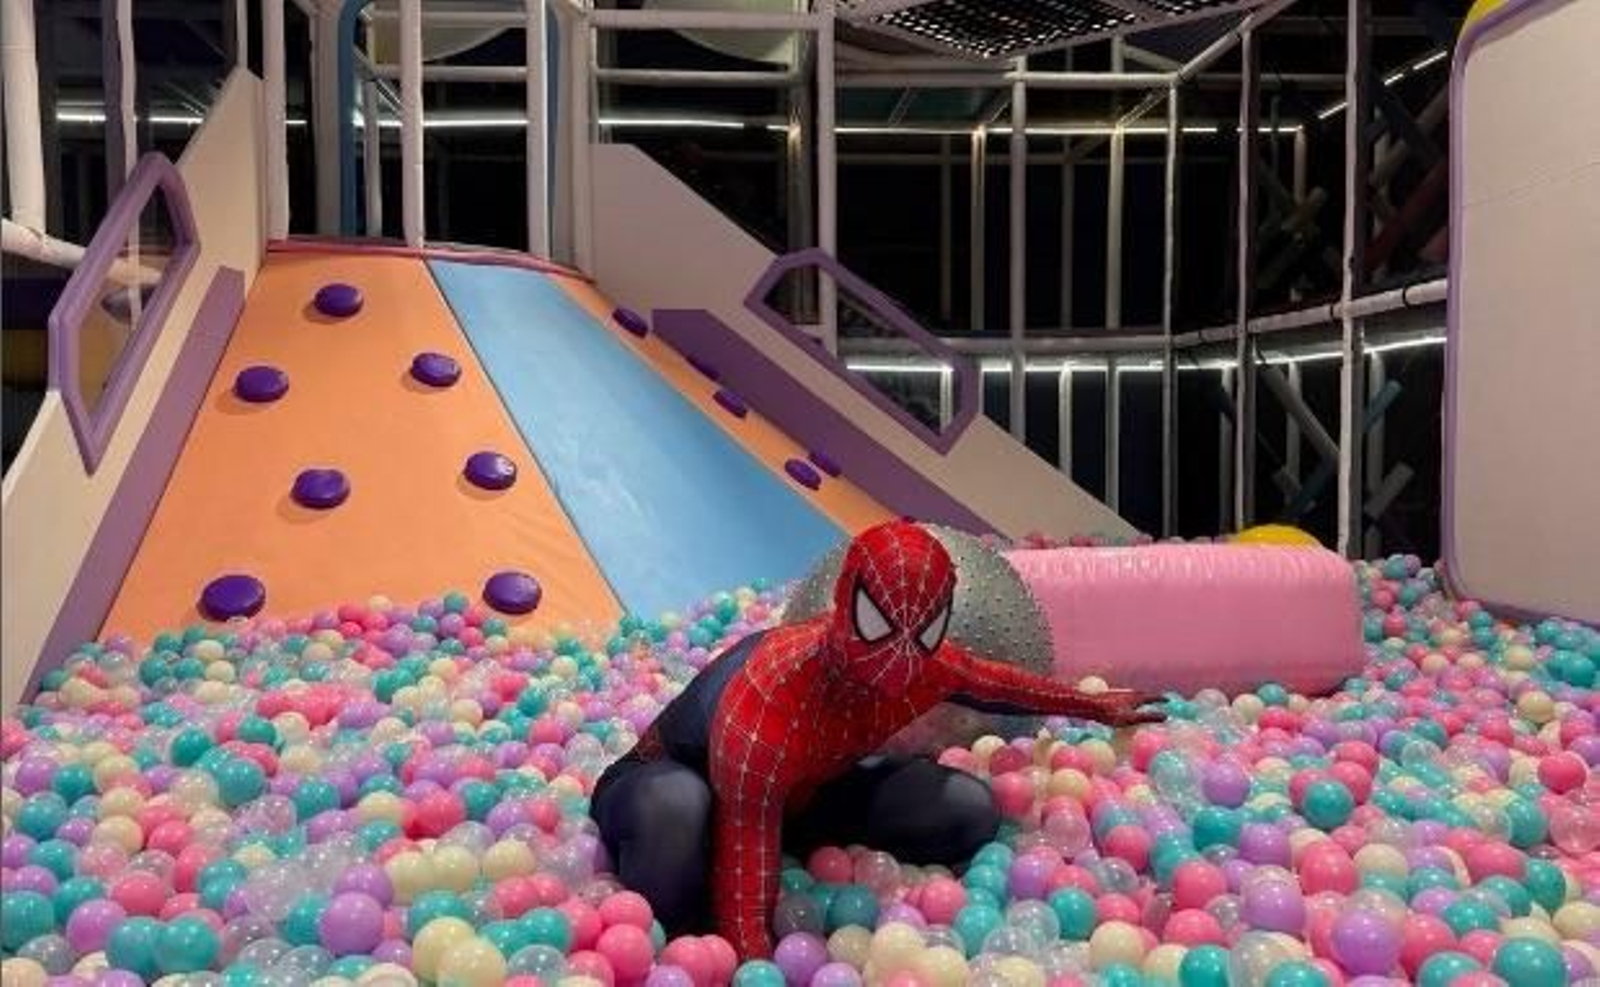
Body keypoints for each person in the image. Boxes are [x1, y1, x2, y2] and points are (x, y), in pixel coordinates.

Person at [591, 521, 1163, 957]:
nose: (899, 660)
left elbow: (996, 684)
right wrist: (750, 963)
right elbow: (743, 880)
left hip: (800, 793)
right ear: (846, 604)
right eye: (876, 623)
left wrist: (1095, 705)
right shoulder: (768, 700)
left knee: (966, 808)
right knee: (675, 823)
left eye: (924, 632)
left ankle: (784, 839)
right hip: (678, 781)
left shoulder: (918, 662)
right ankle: (681, 902)